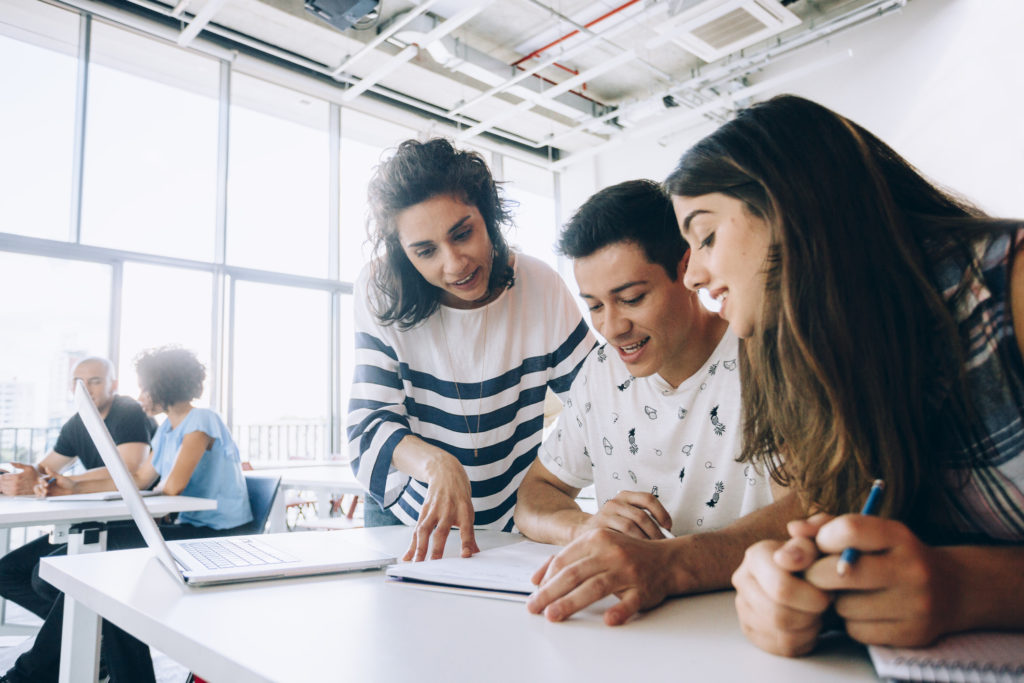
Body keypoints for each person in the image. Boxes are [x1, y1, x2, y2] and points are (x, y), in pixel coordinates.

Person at [664, 94, 1024, 656]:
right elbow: (824, 511)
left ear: (790, 204)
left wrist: (966, 588)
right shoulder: (808, 355)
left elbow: (947, 576)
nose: (693, 276)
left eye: (705, 236)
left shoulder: (1010, 286)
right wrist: (794, 583)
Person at [515, 179, 796, 625]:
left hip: (743, 624)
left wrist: (669, 562)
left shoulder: (763, 355)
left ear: (687, 268)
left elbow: (809, 507)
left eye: (631, 299)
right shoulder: (599, 371)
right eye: (594, 306)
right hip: (630, 628)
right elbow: (534, 496)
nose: (612, 327)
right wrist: (585, 527)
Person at [348, 138, 596, 561]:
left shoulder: (540, 287)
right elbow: (369, 426)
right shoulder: (381, 290)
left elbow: (600, 404)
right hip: (408, 519)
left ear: (489, 216)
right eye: (425, 251)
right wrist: (436, 464)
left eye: (463, 233)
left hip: (511, 517)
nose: (454, 264)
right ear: (404, 255)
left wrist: (551, 483)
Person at [1, 347, 252, 683]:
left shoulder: (202, 420)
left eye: (145, 387)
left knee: (91, 566)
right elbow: (140, 479)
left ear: (165, 385)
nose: (140, 395)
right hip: (187, 527)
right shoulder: (165, 431)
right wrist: (70, 486)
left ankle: (28, 677)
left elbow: (173, 486)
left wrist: (85, 484)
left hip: (216, 536)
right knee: (96, 582)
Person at [0, 356, 154, 621]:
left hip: (133, 522)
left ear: (113, 384)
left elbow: (128, 468)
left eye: (95, 381)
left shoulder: (128, 410)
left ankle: (85, 642)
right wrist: (15, 478)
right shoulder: (77, 423)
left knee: (44, 576)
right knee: (6, 572)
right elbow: (45, 469)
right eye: (79, 382)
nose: (86, 389)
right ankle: (84, 640)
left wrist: (62, 481)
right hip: (94, 521)